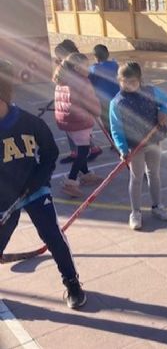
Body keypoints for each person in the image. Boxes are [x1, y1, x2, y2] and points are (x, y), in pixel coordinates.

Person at [0, 59, 87, 309]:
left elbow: (49, 155)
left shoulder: (30, 123)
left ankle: (72, 283)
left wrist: (37, 182)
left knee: (53, 237)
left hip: (35, 192)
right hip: (5, 199)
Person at [109, 62, 167, 231]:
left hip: (153, 141)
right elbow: (116, 128)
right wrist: (122, 149)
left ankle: (157, 205)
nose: (129, 86)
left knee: (154, 174)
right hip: (133, 147)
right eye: (125, 82)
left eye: (133, 82)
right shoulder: (117, 102)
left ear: (140, 80)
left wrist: (163, 111)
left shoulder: (151, 91)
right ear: (119, 80)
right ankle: (135, 212)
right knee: (136, 178)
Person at [53, 53, 103, 197]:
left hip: (66, 121)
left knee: (81, 147)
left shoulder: (62, 80)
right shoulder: (82, 81)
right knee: (83, 151)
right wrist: (97, 111)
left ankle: (86, 174)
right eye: (86, 66)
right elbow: (89, 100)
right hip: (79, 120)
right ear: (76, 68)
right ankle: (71, 181)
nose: (89, 69)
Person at [53, 41, 102, 164]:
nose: (58, 58)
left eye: (60, 55)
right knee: (76, 131)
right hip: (72, 108)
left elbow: (85, 86)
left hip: (79, 106)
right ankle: (81, 152)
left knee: (80, 131)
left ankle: (84, 153)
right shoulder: (66, 68)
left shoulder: (78, 67)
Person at [89, 44, 120, 135]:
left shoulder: (93, 69)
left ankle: (113, 140)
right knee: (117, 120)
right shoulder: (114, 65)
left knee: (107, 122)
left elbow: (90, 83)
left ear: (95, 57)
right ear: (108, 54)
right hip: (116, 97)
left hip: (103, 101)